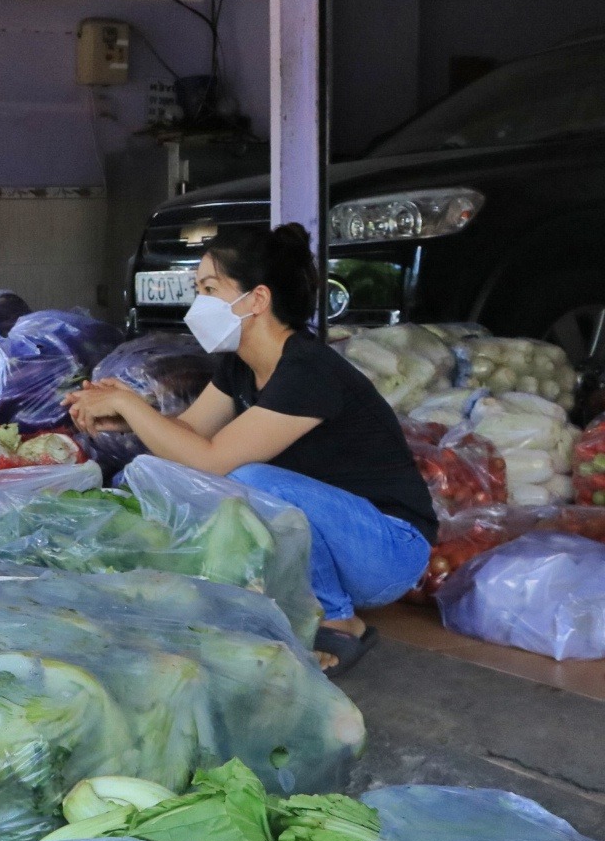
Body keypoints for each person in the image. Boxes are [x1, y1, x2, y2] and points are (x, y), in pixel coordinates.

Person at [65, 224, 434, 674]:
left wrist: (126, 401)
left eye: (209, 289)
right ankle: (306, 604)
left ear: (257, 300)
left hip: (389, 549)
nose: (199, 303)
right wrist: (123, 415)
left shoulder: (307, 371)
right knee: (172, 475)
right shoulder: (240, 366)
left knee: (247, 479)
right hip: (339, 542)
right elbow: (186, 436)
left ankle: (339, 620)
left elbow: (213, 460)